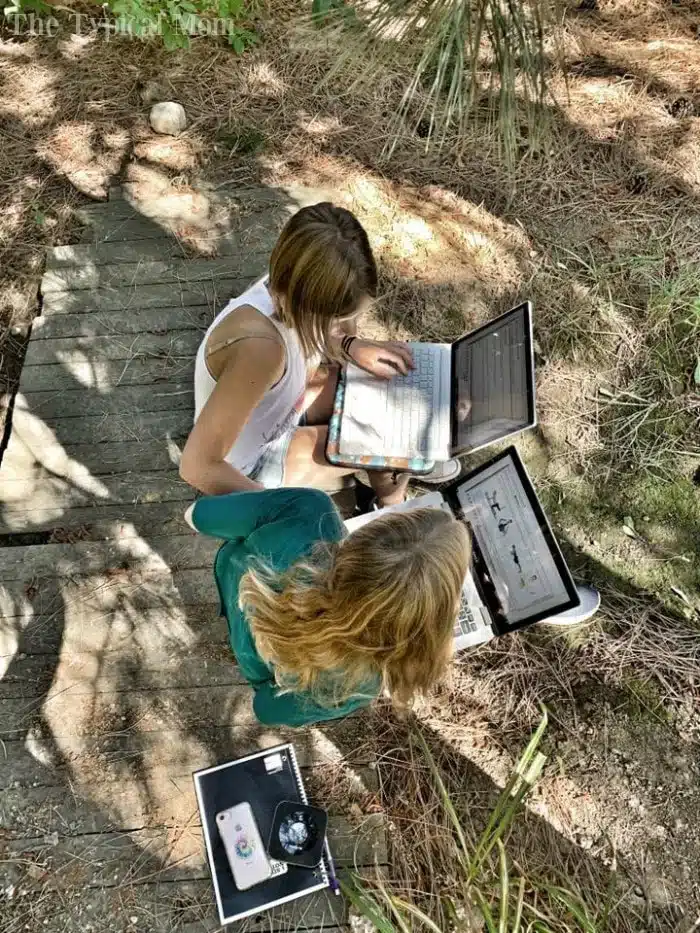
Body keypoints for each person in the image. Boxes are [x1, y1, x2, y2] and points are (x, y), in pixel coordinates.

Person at [180, 202, 460, 506]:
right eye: (336, 318)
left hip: (282, 407)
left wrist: (351, 345)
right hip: (250, 465)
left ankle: (408, 454)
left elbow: (317, 334)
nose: (343, 326)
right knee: (376, 445)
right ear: (306, 302)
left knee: (388, 398)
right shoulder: (260, 351)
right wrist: (280, 508)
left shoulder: (291, 279)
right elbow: (198, 466)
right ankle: (391, 478)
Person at [184, 487, 471, 727]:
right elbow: (265, 708)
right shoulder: (360, 686)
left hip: (233, 582)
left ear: (368, 535)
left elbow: (197, 515)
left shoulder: (310, 511)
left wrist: (273, 505)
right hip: (254, 661)